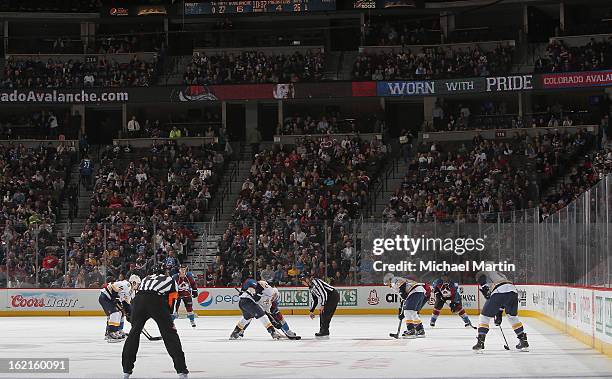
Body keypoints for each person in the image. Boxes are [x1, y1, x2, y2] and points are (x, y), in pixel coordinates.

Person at [122, 265, 189, 379]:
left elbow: (137, 295)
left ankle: (126, 370)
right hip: (156, 301)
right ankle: (181, 370)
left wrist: (132, 315)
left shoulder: (146, 278)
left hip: (139, 301)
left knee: (133, 334)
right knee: (170, 335)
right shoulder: (170, 280)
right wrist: (168, 319)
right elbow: (172, 301)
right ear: (165, 273)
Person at [472, 270, 529, 352]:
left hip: (499, 291)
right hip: (513, 292)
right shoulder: (499, 275)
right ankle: (523, 340)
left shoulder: (485, 272)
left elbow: (481, 276)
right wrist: (499, 314)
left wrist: (484, 287)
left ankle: (480, 342)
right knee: (512, 317)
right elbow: (503, 301)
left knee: (484, 317)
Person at [385, 274, 430, 338]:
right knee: (413, 313)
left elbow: (402, 287)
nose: (387, 285)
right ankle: (420, 330)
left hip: (415, 291)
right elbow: (403, 299)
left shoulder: (394, 280)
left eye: (387, 282)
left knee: (407, 311)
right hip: (420, 291)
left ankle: (411, 331)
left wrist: (403, 311)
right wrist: (401, 311)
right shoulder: (395, 283)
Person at [98, 275, 141, 343]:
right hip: (105, 297)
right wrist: (115, 297)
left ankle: (118, 330)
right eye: (138, 284)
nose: (138, 286)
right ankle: (110, 332)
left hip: (111, 299)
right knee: (115, 313)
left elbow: (127, 303)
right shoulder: (126, 284)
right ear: (134, 282)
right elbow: (112, 285)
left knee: (121, 313)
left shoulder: (131, 291)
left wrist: (130, 314)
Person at [299, 273, 339, 338]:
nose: (302, 283)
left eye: (302, 281)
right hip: (328, 297)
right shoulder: (311, 288)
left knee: (325, 312)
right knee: (322, 313)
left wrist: (322, 305)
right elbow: (315, 300)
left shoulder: (315, 281)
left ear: (306, 279)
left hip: (332, 296)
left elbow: (323, 293)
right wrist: (311, 311)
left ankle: (324, 330)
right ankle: (323, 330)